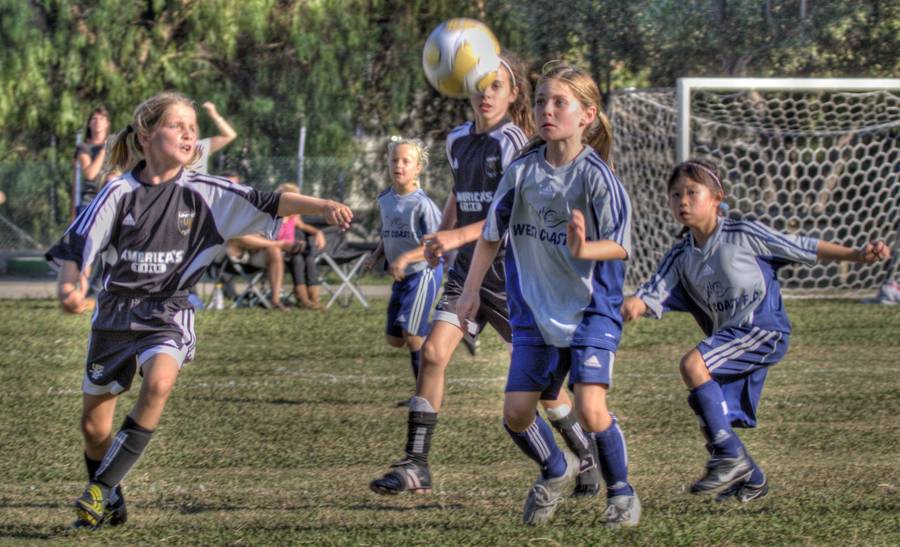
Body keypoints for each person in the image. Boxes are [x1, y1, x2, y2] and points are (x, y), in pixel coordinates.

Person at [45, 91, 352, 530]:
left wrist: (321, 206)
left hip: (167, 311)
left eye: (193, 127)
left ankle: (100, 489)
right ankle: (109, 490)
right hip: (115, 313)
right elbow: (77, 244)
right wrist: (69, 285)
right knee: (94, 430)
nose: (190, 134)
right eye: (178, 125)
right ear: (148, 135)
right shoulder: (119, 190)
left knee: (161, 381)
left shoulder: (207, 192)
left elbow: (268, 201)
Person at [370, 52, 601, 501]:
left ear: (514, 93)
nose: (485, 93)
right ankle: (416, 463)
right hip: (466, 272)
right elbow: (460, 193)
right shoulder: (458, 141)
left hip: (518, 278)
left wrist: (454, 236)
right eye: (477, 85)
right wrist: (441, 236)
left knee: (547, 390)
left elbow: (507, 215)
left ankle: (583, 451)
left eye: (496, 86)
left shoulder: (516, 142)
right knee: (434, 354)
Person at [621, 159, 891, 503]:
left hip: (763, 330)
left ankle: (731, 457)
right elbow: (652, 291)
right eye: (675, 195)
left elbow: (804, 246)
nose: (682, 201)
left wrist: (857, 255)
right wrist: (633, 305)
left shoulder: (744, 235)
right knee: (712, 414)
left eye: (692, 192)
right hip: (732, 338)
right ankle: (753, 477)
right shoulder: (680, 255)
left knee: (692, 365)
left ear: (717, 197)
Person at [456, 62, 639, 527]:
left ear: (587, 115)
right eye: (541, 101)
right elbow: (491, 235)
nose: (547, 110)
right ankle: (556, 469)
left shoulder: (597, 177)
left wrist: (583, 247)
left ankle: (621, 494)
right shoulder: (520, 173)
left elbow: (620, 244)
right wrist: (470, 292)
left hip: (589, 311)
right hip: (534, 312)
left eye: (560, 102)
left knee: (590, 408)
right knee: (517, 414)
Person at [365, 137, 443, 399]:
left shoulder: (423, 204)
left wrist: (406, 258)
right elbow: (388, 233)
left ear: (418, 168)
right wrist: (377, 255)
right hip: (402, 275)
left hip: (423, 272)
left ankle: (421, 395)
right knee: (394, 339)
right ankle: (443, 330)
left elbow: (436, 245)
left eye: (406, 161)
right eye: (394, 160)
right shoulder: (385, 199)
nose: (399, 165)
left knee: (412, 336)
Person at [276, 182, 327, 310]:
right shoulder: (275, 215)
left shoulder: (294, 215)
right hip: (280, 250)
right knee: (298, 260)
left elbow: (303, 227)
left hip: (294, 249)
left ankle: (314, 299)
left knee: (309, 260)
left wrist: (318, 232)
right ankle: (303, 299)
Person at [74, 106, 112, 215]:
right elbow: (90, 174)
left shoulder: (115, 147)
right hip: (90, 203)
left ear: (107, 123)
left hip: (111, 201)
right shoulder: (83, 148)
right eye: (94, 119)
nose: (98, 122)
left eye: (101, 119)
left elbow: (120, 172)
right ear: (89, 124)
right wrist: (104, 150)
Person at [188, 101, 238, 174]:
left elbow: (230, 135)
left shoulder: (199, 147)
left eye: (191, 127)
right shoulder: (167, 147)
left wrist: (214, 115)